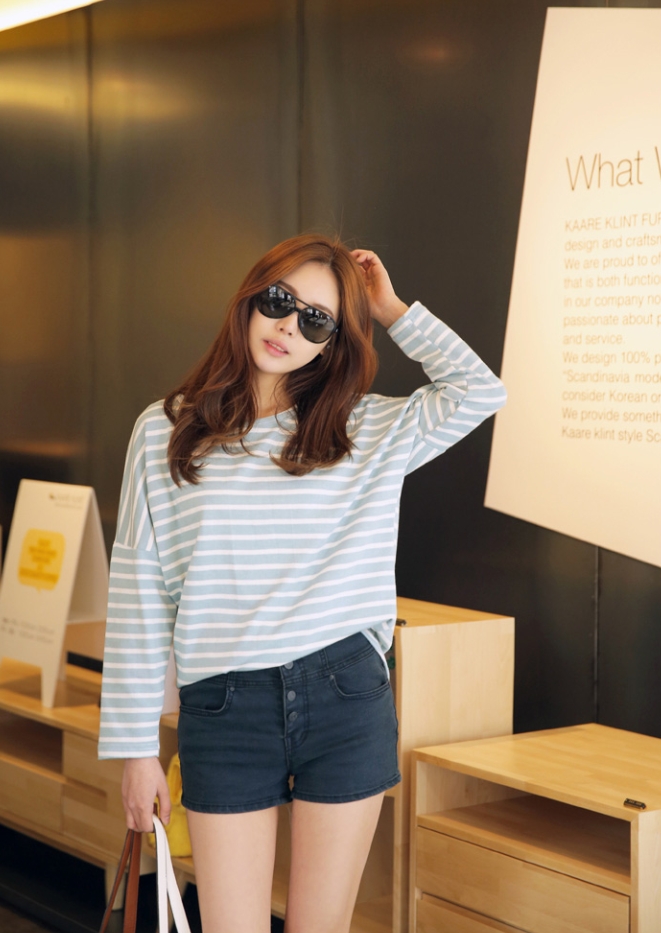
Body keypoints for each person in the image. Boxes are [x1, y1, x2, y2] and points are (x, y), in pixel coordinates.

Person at [98, 233, 506, 933]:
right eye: (279, 301)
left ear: (333, 342)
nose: (289, 325)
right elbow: (140, 593)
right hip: (225, 704)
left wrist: (390, 309)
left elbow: (480, 391)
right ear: (249, 298)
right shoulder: (165, 430)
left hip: (343, 693)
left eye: (317, 320)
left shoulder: (364, 428)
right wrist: (137, 751)